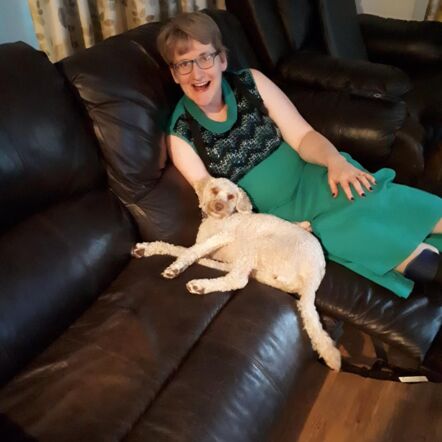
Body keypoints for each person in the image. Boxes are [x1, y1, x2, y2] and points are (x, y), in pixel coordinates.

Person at [156, 12, 442, 298]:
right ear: (173, 73)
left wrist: (335, 162)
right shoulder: (182, 135)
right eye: (184, 64)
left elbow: (302, 135)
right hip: (286, 217)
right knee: (377, 241)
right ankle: (423, 259)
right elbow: (212, 204)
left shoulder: (250, 82)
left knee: (378, 197)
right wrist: (274, 230)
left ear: (222, 60)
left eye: (205, 58)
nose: (196, 73)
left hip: (316, 174)